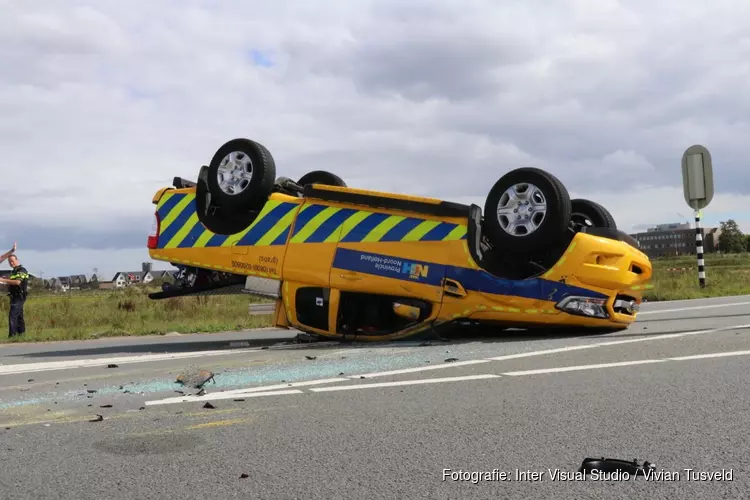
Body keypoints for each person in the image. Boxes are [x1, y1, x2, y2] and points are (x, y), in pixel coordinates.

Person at [0, 243, 29, 337]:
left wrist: (3, 280)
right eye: (9, 261)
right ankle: (22, 334)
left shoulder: (21, 270)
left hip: (19, 295)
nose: (11, 263)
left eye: (12, 261)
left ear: (17, 260)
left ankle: (12, 335)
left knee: (13, 316)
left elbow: (17, 282)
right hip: (14, 296)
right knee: (19, 316)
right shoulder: (14, 271)